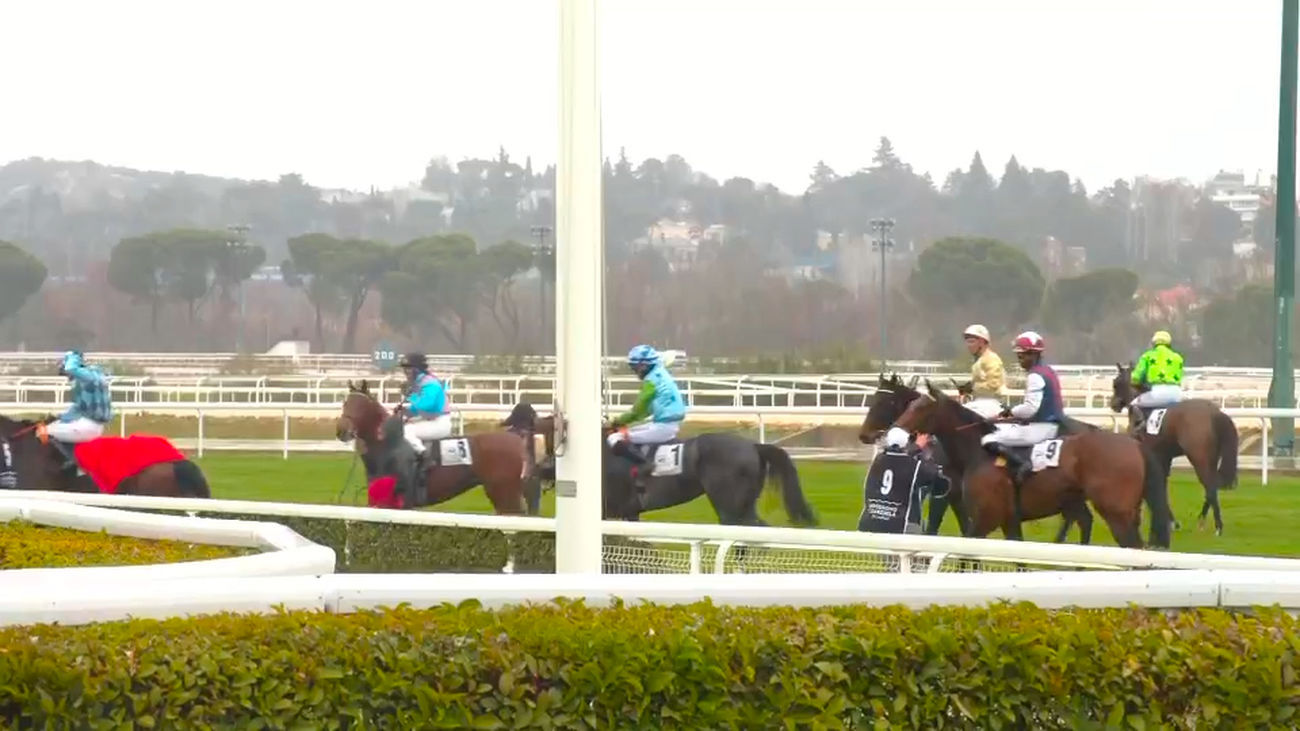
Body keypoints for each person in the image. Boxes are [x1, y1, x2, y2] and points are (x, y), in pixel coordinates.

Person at [980, 331, 1064, 487]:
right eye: (1019, 356)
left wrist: (1010, 412)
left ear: (1033, 354)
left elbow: (1030, 409)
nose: (1020, 360)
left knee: (988, 438)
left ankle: (1021, 464)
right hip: (1050, 424)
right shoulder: (1048, 370)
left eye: (1022, 356)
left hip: (1041, 428)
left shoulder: (1035, 376)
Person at [858, 427, 948, 534]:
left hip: (869, 523)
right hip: (901, 526)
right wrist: (923, 454)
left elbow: (898, 460)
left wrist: (916, 448)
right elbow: (941, 487)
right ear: (907, 443)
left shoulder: (878, 460)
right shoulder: (915, 466)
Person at [607, 344, 687, 464]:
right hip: (668, 424)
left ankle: (644, 465)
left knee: (614, 437)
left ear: (643, 366)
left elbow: (638, 410)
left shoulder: (651, 382)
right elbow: (646, 411)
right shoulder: (660, 374)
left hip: (663, 428)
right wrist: (625, 421)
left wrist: (618, 421)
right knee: (630, 430)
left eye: (634, 367)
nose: (634, 371)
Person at [44, 350, 113, 474]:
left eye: (65, 372)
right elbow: (78, 409)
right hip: (96, 426)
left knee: (43, 432)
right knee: (55, 427)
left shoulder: (84, 377)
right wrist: (60, 418)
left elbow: (71, 368)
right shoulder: (95, 374)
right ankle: (75, 460)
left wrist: (71, 358)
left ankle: (72, 463)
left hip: (87, 426)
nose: (66, 376)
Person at [397, 352, 452, 453]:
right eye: (404, 368)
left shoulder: (430, 383)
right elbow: (418, 409)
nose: (405, 371)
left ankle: (423, 455)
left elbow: (426, 405)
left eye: (408, 368)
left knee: (406, 431)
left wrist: (410, 397)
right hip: (431, 420)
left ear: (417, 369)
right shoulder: (419, 382)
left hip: (440, 423)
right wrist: (405, 411)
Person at [1130, 330, 1184, 415]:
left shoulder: (1147, 356)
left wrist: (1134, 381)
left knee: (1134, 404)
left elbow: (1136, 377)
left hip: (1157, 393)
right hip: (1177, 395)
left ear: (1154, 343)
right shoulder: (1178, 357)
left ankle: (1142, 423)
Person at [958, 324, 1005, 419]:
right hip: (979, 403)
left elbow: (993, 385)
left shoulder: (991, 359)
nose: (968, 346)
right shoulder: (979, 360)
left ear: (982, 342)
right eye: (967, 342)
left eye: (971, 342)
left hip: (990, 404)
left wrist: (972, 388)